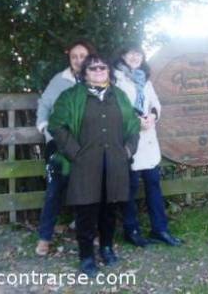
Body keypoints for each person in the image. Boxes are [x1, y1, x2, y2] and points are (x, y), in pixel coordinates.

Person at [48, 54, 140, 276]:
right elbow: (57, 126)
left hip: (115, 164)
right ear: (84, 73)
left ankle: (106, 247)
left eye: (103, 67)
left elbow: (133, 125)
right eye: (92, 68)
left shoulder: (119, 96)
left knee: (109, 211)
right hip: (84, 165)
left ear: (108, 71)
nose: (99, 71)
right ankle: (87, 255)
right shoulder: (70, 97)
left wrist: (127, 151)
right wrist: (75, 153)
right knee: (86, 213)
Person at [114, 44, 182, 247]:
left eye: (138, 53)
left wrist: (153, 115)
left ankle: (160, 229)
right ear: (123, 55)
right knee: (130, 187)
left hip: (149, 142)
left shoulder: (145, 78)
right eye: (130, 52)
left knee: (154, 186)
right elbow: (117, 108)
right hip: (130, 141)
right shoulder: (116, 78)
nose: (135, 56)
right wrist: (137, 121)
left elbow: (155, 103)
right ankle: (131, 230)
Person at [35, 40, 96, 256]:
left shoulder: (95, 78)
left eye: (82, 56)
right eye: (74, 56)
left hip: (86, 145)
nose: (79, 60)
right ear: (69, 58)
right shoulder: (60, 80)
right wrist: (44, 127)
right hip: (59, 144)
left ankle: (87, 232)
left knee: (88, 190)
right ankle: (44, 237)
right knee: (55, 190)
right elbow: (44, 104)